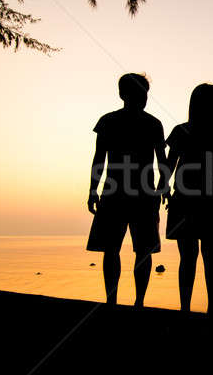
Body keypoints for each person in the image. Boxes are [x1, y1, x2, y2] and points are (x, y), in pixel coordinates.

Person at [86, 73, 168, 307]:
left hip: (140, 195)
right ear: (123, 95)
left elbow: (161, 161)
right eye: (138, 94)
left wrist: (164, 185)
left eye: (144, 94)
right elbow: (99, 158)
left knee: (141, 251)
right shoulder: (110, 121)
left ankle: (138, 301)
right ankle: (113, 300)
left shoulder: (152, 124)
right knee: (114, 250)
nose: (142, 98)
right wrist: (93, 189)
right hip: (117, 194)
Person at [164, 83, 213, 317]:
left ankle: (186, 308)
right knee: (211, 257)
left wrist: (163, 187)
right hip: (212, 201)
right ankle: (212, 309)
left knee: (188, 258)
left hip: (184, 199)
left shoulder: (181, 130)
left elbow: (169, 164)